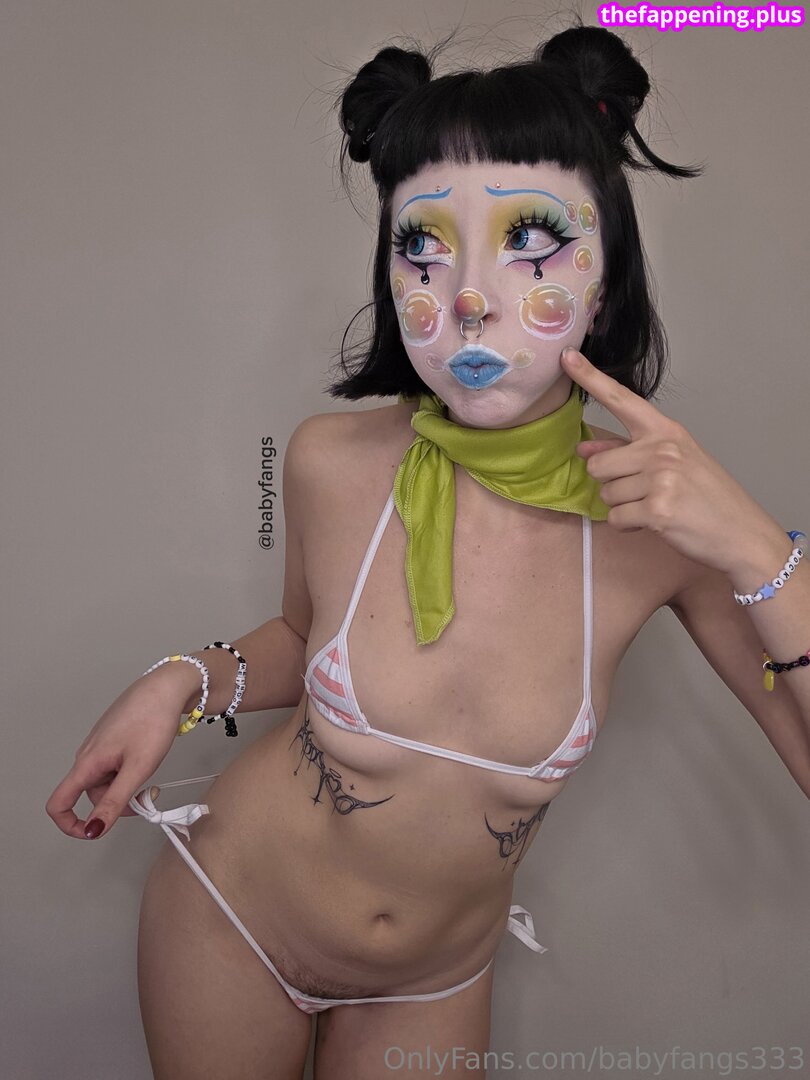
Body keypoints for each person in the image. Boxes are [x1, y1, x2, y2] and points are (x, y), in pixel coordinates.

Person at [45, 22, 810, 1080]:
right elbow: (305, 640)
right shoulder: (326, 460)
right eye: (425, 247)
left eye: (529, 241)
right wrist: (179, 682)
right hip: (230, 914)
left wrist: (756, 544)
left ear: (606, 278)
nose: (468, 296)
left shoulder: (668, 534)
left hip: (434, 980)